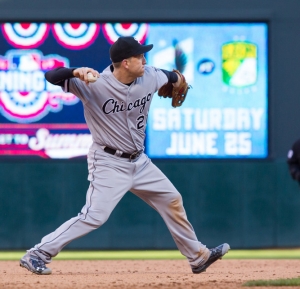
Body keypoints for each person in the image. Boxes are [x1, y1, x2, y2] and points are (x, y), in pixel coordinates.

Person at [19, 36, 230, 275]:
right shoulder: (93, 84)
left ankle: (197, 257)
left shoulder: (149, 75)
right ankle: (37, 253)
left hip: (140, 162)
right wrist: (76, 71)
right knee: (94, 216)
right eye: (139, 56)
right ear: (126, 63)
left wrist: (179, 79)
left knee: (172, 199)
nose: (144, 59)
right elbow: (51, 76)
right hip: (108, 161)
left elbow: (171, 77)